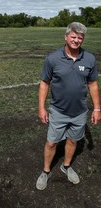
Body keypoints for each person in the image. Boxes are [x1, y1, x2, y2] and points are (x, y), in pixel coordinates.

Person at [36, 22, 101, 190]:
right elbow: (44, 83)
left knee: (72, 141)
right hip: (58, 111)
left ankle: (65, 166)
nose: (76, 40)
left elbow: (93, 84)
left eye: (80, 37)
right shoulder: (52, 59)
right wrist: (41, 108)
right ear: (66, 37)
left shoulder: (89, 59)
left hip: (79, 112)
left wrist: (97, 108)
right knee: (51, 143)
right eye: (73, 36)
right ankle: (46, 171)